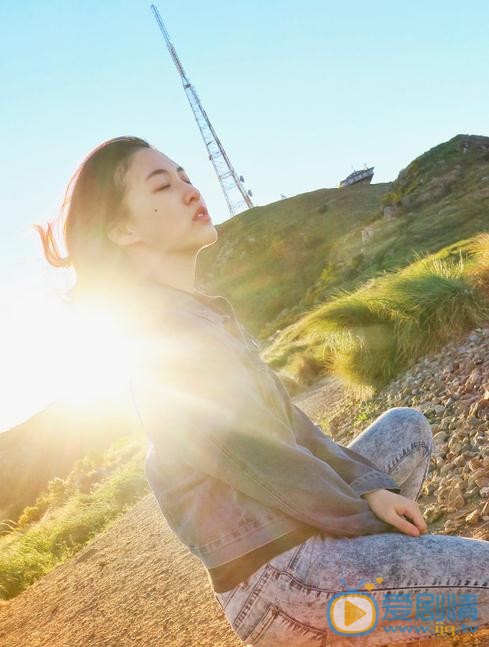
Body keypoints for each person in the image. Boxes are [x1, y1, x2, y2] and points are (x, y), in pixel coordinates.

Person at [36, 137, 489, 646]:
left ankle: (378, 608)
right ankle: (347, 622)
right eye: (162, 185)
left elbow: (293, 429)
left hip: (295, 535)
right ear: (123, 229)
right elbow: (268, 463)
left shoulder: (200, 314)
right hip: (281, 578)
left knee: (406, 429)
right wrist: (368, 521)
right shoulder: (160, 333)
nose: (189, 190)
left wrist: (369, 487)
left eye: (184, 175)